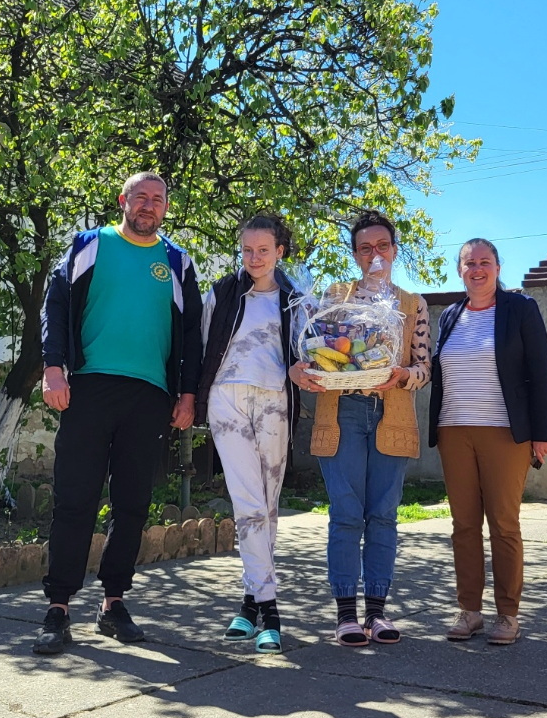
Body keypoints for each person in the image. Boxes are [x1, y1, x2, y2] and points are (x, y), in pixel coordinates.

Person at [33, 171, 202, 655]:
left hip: (150, 395)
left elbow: (192, 332)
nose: (149, 205)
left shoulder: (177, 261)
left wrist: (187, 394)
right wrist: (53, 368)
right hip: (88, 387)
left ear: (165, 208)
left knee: (131, 504)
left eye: (158, 199)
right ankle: (58, 607)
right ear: (122, 200)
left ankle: (113, 603)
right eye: (140, 197)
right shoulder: (89, 245)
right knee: (75, 498)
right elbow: (55, 305)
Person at [289, 210, 430, 646]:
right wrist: (299, 371)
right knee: (346, 514)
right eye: (365, 248)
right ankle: (346, 614)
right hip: (342, 412)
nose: (375, 255)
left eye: (382, 246)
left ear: (394, 250)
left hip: (392, 414)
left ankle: (378, 613)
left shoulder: (412, 305)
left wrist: (402, 375)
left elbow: (424, 368)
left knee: (384, 515)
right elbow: (312, 350)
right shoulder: (334, 297)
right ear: (355, 255)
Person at [429, 238, 547, 645]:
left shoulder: (520, 309)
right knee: (463, 525)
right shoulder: (451, 315)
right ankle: (469, 611)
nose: (477, 269)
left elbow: (540, 371)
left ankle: (508, 615)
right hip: (453, 430)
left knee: (503, 524)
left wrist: (542, 432)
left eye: (485, 262)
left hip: (504, 432)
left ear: (498, 268)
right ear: (460, 270)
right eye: (469, 263)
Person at [194, 214, 304, 654]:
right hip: (227, 399)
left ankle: (249, 603)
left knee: (268, 505)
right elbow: (200, 345)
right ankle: (271, 611)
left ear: (280, 251)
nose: (254, 258)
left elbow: (305, 355)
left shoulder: (295, 299)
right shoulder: (222, 292)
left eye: (263, 250)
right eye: (247, 250)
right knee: (248, 503)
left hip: (275, 401)